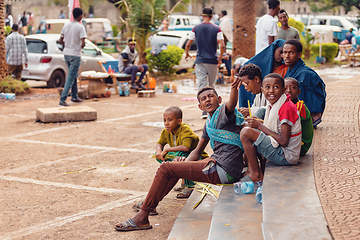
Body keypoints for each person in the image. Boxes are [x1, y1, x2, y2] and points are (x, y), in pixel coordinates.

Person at [114, 73, 246, 232]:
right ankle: (149, 207)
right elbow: (197, 152)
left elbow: (232, 103)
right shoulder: (209, 124)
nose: (207, 100)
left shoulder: (224, 113)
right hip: (216, 164)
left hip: (225, 170)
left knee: (166, 168)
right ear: (200, 107)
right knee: (171, 168)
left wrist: (233, 88)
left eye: (211, 96)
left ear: (219, 100)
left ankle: (142, 216)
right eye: (203, 99)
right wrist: (185, 163)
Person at [133, 107, 209, 215]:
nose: (166, 123)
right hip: (184, 158)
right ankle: (152, 202)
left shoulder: (185, 130)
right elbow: (160, 143)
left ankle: (190, 185)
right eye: (164, 120)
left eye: (170, 120)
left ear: (179, 121)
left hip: (198, 160)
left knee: (179, 157)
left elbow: (186, 148)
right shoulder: (166, 132)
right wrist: (159, 151)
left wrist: (167, 149)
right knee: (161, 156)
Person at [240, 73, 301, 185]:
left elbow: (283, 141)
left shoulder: (286, 108)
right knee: (249, 126)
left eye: (276, 87)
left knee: (246, 133)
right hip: (281, 150)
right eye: (267, 87)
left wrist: (260, 126)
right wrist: (259, 126)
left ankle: (255, 174)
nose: (271, 91)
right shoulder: (275, 104)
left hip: (286, 155)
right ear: (262, 90)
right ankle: (257, 169)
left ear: (283, 90)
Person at [185, 7, 226, 119]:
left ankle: (204, 110)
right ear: (212, 16)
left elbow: (188, 44)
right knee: (211, 86)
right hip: (212, 61)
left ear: (202, 16)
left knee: (202, 85)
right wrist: (220, 58)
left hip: (200, 61)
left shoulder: (196, 28)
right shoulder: (217, 29)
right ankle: (212, 110)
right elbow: (222, 45)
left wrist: (187, 53)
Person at [283, 39, 326, 127]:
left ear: (299, 55)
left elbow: (311, 100)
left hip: (306, 119)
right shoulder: (290, 71)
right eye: (284, 52)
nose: (286, 56)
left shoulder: (306, 75)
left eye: (291, 53)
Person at [239, 39, 288, 108]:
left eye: (284, 53)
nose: (282, 56)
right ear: (274, 49)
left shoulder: (286, 69)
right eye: (281, 52)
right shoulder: (259, 63)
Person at [58, 8, 87, 107]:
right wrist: (78, 47)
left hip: (66, 53)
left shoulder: (66, 25)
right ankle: (63, 99)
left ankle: (74, 96)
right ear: (79, 16)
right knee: (70, 77)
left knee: (73, 75)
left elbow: (60, 40)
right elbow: (83, 43)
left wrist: (68, 44)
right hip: (75, 54)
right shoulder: (80, 27)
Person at [285, 77, 313, 156]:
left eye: (292, 88)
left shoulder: (299, 106)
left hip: (301, 146)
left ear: (298, 91)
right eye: (285, 88)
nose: (288, 91)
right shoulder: (288, 105)